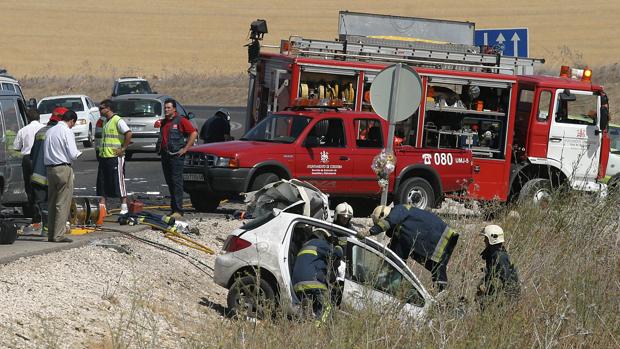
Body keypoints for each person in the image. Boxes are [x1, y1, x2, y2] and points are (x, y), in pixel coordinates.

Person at [361, 204, 459, 291]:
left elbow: (389, 222)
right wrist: (380, 270)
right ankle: (442, 294)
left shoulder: (398, 210)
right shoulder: (401, 230)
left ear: (383, 215)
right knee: (437, 269)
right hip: (440, 238)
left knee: (437, 266)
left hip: (439, 237)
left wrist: (370, 232)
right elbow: (395, 256)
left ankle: (442, 293)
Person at [44, 109, 82, 243]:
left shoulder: (50, 131)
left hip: (50, 169)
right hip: (63, 167)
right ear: (71, 121)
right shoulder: (67, 131)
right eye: (73, 123)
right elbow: (72, 153)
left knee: (52, 202)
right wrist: (78, 153)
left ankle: (51, 234)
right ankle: (58, 235)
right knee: (62, 203)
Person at [291, 228, 343, 324]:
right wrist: (339, 246)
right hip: (313, 282)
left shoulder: (304, 247)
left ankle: (309, 317)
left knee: (315, 306)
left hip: (297, 285)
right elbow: (337, 254)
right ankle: (318, 327)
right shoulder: (320, 243)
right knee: (328, 305)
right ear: (322, 236)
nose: (328, 242)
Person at [157, 99, 197, 218]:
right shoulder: (164, 122)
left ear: (174, 109)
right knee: (170, 182)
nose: (166, 110)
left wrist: (185, 148)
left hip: (176, 156)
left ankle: (178, 210)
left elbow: (193, 133)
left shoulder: (181, 120)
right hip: (165, 155)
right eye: (165, 108)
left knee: (176, 182)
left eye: (168, 108)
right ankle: (173, 208)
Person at [31, 107, 67, 236]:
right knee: (56, 202)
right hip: (52, 173)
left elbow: (32, 154)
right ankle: (54, 229)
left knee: (42, 203)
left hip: (37, 174)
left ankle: (45, 228)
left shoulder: (40, 131)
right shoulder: (58, 132)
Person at [96, 99, 133, 214]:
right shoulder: (105, 121)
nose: (100, 110)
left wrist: (123, 148)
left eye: (101, 108)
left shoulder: (117, 120)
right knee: (102, 182)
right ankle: (102, 207)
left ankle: (124, 206)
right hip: (104, 156)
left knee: (118, 181)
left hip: (115, 157)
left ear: (108, 108)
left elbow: (128, 133)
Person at [476, 225, 520, 309]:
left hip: (502, 301)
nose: (484, 241)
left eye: (486, 238)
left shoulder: (499, 257)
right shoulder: (494, 255)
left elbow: (506, 282)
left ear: (492, 239)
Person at [13, 108, 45, 223]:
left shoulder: (23, 130)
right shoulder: (44, 129)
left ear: (27, 118)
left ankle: (34, 214)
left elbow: (16, 147)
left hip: (27, 159)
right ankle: (42, 211)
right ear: (39, 117)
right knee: (41, 185)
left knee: (29, 186)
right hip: (41, 158)